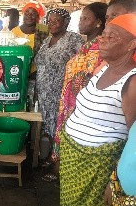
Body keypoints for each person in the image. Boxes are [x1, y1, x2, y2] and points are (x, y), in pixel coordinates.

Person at [60, 13, 136, 206]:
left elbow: (134, 140)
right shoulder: (105, 67)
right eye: (104, 34)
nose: (102, 40)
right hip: (74, 160)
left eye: (112, 37)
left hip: (97, 168)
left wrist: (115, 179)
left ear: (132, 44)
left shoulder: (132, 81)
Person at [42, 2, 108, 182]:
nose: (81, 22)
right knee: (61, 132)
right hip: (68, 100)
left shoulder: (101, 47)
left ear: (99, 22)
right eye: (81, 18)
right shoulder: (87, 45)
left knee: (72, 136)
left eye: (86, 18)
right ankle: (58, 164)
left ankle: (61, 170)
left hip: (82, 103)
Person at [34, 8, 84, 147]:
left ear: (66, 22)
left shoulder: (73, 39)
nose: (52, 24)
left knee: (62, 130)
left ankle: (57, 165)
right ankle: (51, 158)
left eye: (56, 21)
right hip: (45, 97)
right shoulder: (47, 40)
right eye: (49, 21)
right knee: (50, 129)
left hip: (62, 96)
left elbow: (84, 64)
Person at [11, 2, 49, 75]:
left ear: (38, 16)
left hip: (37, 73)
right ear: (23, 15)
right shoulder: (14, 32)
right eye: (27, 12)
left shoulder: (45, 32)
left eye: (33, 13)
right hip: (17, 71)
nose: (29, 16)